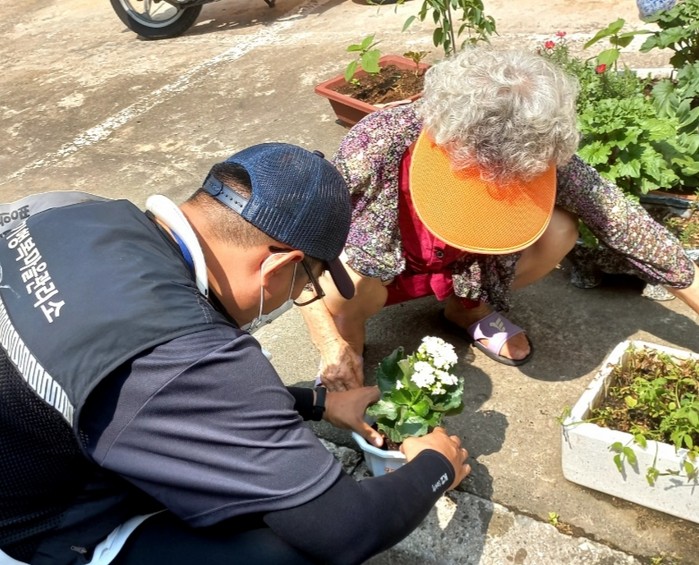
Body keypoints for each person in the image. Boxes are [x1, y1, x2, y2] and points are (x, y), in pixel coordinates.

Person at [0, 143, 471, 565]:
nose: (299, 295)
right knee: (292, 549)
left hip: (28, 462)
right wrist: (436, 465)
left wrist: (317, 403)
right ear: (278, 266)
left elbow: (139, 395)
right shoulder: (187, 350)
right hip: (34, 534)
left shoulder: (72, 211)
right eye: (305, 284)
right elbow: (346, 530)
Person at [299, 46, 699, 392]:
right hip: (386, 275)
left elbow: (624, 222)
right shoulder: (380, 140)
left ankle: (468, 307)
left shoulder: (536, 141)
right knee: (344, 283)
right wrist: (327, 340)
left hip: (467, 266)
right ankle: (349, 340)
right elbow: (292, 240)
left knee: (560, 229)